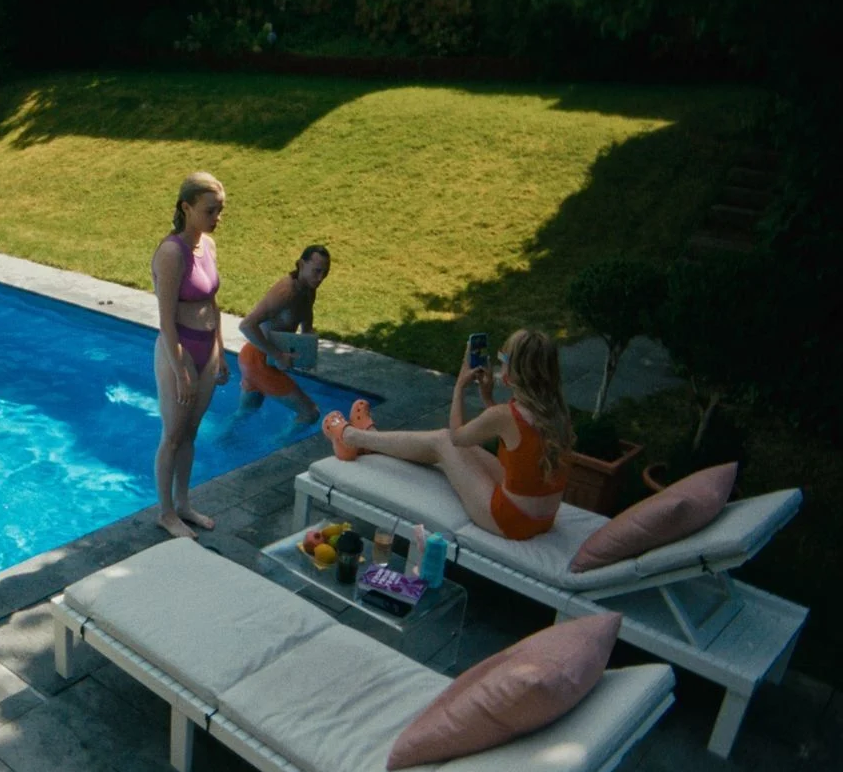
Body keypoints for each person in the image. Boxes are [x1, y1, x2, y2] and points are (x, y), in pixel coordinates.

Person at [320, 330, 573, 540]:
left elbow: (456, 437)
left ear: (514, 370)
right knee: (459, 447)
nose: (499, 363)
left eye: (503, 358)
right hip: (543, 519)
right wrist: (487, 397)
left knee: (442, 440)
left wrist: (460, 386)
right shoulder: (558, 411)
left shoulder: (505, 416)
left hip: (510, 520)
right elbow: (513, 438)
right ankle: (368, 439)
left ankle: (351, 437)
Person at [151, 171, 229, 539]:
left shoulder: (208, 246)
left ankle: (183, 503)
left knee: (192, 432)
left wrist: (222, 352)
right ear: (187, 208)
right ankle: (166, 513)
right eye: (211, 210)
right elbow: (166, 319)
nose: (217, 218)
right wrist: (181, 367)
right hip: (177, 350)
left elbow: (213, 302)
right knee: (173, 435)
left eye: (221, 210)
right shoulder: (170, 253)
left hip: (208, 349)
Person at [236, 244, 330, 425]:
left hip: (256, 358)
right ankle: (275, 447)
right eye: (317, 271)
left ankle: (221, 443)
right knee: (310, 413)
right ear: (301, 265)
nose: (321, 278)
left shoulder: (309, 289)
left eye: (325, 273)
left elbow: (306, 322)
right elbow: (246, 325)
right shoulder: (285, 293)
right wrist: (277, 355)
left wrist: (308, 351)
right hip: (259, 360)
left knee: (244, 414)